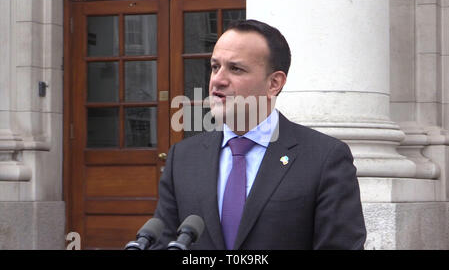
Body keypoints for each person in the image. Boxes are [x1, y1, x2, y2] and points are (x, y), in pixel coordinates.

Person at [152, 19, 366, 250]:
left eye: (236, 69)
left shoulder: (324, 157)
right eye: (215, 67)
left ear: (274, 83)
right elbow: (163, 242)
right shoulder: (183, 157)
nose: (218, 80)